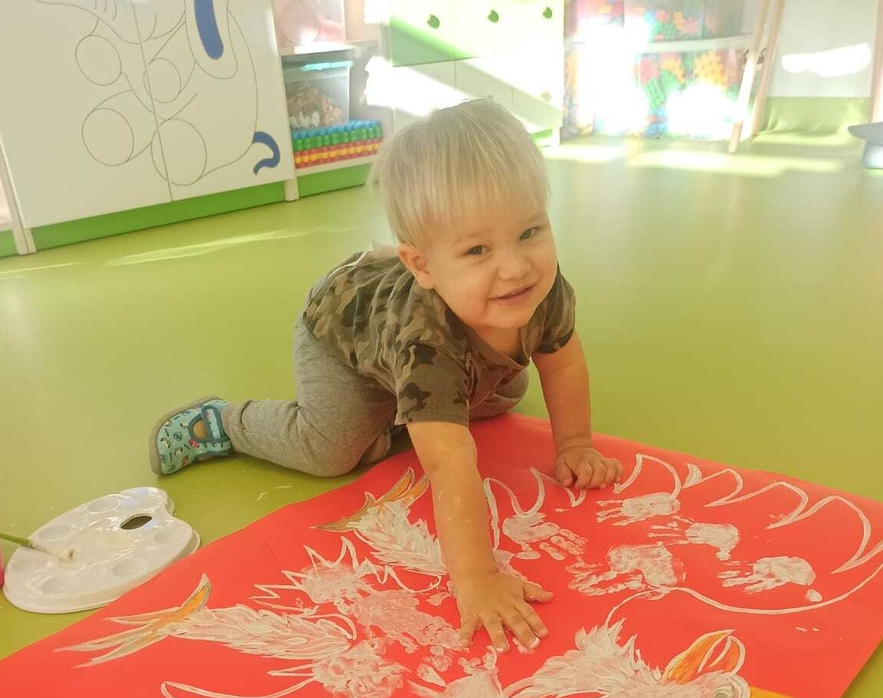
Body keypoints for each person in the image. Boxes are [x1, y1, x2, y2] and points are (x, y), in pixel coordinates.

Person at [148, 99, 622, 652]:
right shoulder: (427, 343)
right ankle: (223, 423)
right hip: (342, 335)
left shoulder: (541, 290)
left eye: (530, 231)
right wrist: (477, 579)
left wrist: (575, 444)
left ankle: (410, 414)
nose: (516, 267)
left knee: (504, 390)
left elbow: (562, 362)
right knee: (331, 449)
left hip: (429, 357)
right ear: (422, 265)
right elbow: (449, 466)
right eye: (477, 250)